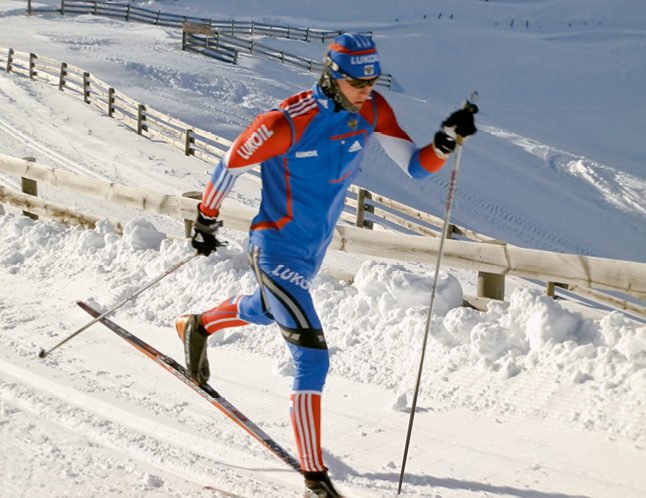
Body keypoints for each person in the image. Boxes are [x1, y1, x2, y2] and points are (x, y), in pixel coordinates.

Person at [176, 32, 477, 498]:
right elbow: (231, 161)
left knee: (266, 308)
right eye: (358, 82)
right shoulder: (286, 122)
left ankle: (198, 326)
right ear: (332, 75)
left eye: (373, 81)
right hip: (274, 248)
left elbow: (417, 167)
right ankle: (315, 480)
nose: (367, 91)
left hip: (310, 254)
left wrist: (445, 141)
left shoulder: (373, 110)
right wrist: (207, 218)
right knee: (312, 357)